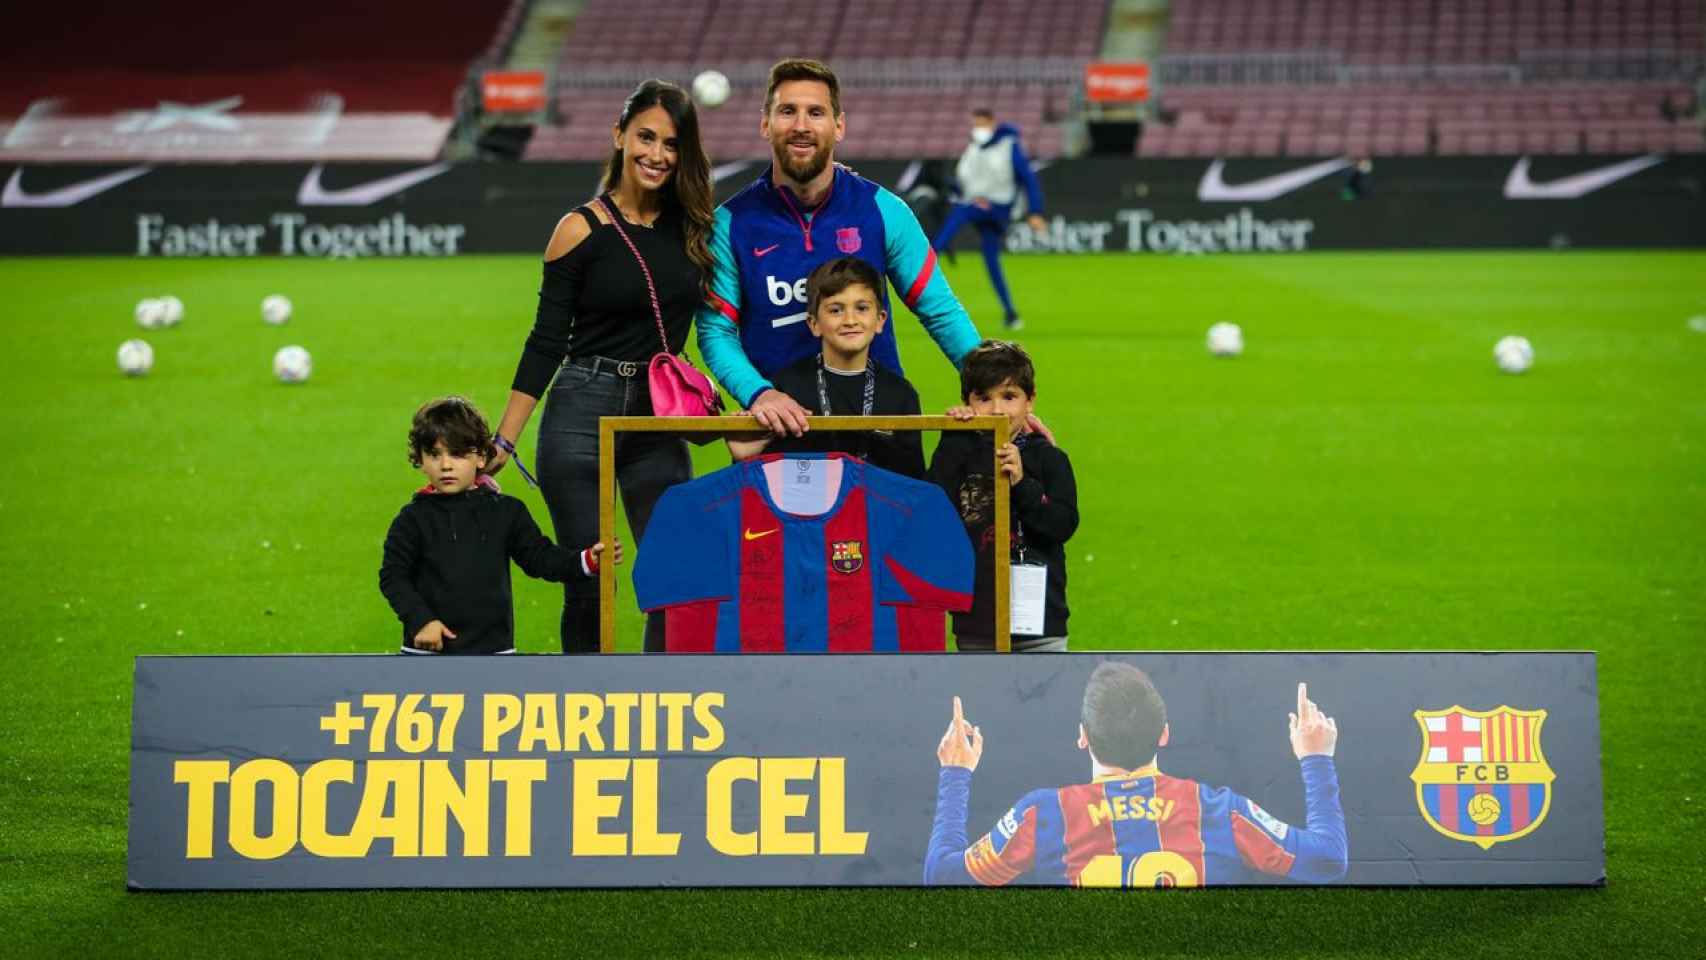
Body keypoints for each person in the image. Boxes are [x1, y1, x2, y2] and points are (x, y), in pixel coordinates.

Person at [487, 79, 713, 653]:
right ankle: (590, 710)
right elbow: (544, 343)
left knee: (676, 575)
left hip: (657, 420)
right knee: (590, 580)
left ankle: (660, 702)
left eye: (671, 144)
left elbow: (716, 324)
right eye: (645, 137)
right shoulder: (578, 230)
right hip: (581, 410)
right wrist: (506, 441)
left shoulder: (694, 229)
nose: (657, 155)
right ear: (618, 136)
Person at [696, 57, 982, 439]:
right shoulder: (730, 225)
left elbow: (940, 310)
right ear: (765, 124)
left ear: (839, 125)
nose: (801, 126)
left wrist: (992, 387)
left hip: (877, 429)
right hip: (782, 433)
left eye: (816, 112)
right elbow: (716, 331)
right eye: (787, 112)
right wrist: (760, 395)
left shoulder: (884, 211)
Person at [923, 665, 1349, 886]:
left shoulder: (1042, 815)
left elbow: (941, 875)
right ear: (1165, 735)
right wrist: (1316, 758)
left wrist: (956, 772)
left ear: (1082, 738)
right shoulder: (1216, 810)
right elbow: (1328, 858)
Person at [379, 397, 618, 656]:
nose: (446, 465)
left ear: (481, 457)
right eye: (434, 455)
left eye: (458, 454)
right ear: (421, 460)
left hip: (494, 656)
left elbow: (539, 558)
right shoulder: (411, 519)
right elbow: (393, 577)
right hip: (426, 655)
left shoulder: (507, 512)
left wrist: (586, 561)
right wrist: (421, 621)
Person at [928, 340, 1076, 651]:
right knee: (980, 700)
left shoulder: (1050, 459)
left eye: (1009, 397)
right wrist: (954, 436)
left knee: (1044, 700)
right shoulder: (961, 451)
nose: (997, 410)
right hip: (976, 623)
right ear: (967, 402)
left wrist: (1022, 484)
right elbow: (936, 512)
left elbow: (1061, 525)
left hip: (1042, 625)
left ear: (1030, 400)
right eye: (984, 398)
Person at [727, 257, 926, 478]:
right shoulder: (786, 391)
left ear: (880, 320)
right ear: (814, 324)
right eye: (835, 310)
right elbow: (761, 485)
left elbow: (914, 488)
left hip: (876, 511)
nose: (850, 320)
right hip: (804, 511)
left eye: (861, 308)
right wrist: (744, 457)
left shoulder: (901, 395)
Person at [933, 108, 1047, 331]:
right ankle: (1011, 313)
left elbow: (1028, 179)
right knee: (991, 262)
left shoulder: (1009, 145)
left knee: (957, 218)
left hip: (997, 208)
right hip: (979, 205)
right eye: (976, 123)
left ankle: (927, 259)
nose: (979, 128)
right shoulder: (974, 148)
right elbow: (966, 182)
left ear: (992, 123)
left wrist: (1035, 212)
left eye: (982, 123)